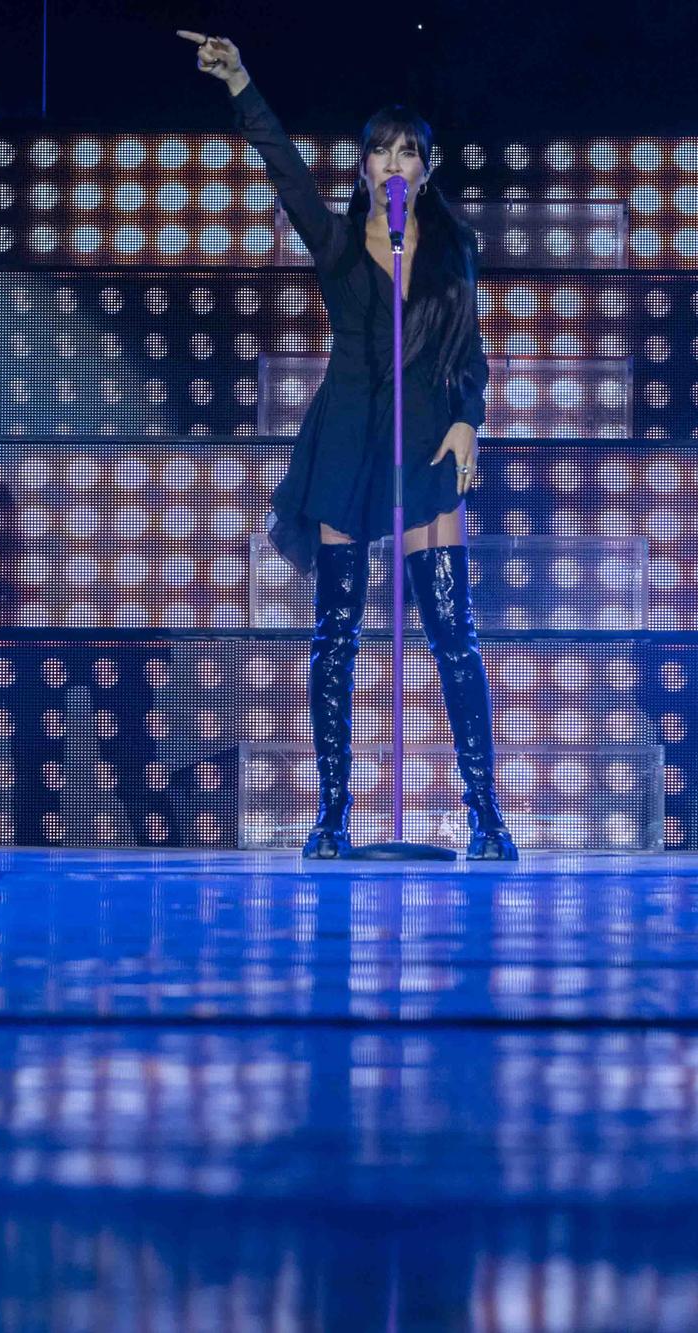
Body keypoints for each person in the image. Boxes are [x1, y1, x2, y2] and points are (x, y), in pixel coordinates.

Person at [180, 30, 515, 859]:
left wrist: (470, 417)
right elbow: (284, 172)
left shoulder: (454, 250)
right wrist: (242, 84)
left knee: (453, 634)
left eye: (409, 153)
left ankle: (487, 814)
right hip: (346, 444)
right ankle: (332, 812)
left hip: (428, 440)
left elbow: (469, 354)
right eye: (379, 151)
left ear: (427, 171)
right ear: (363, 166)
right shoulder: (335, 245)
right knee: (335, 635)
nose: (393, 164)